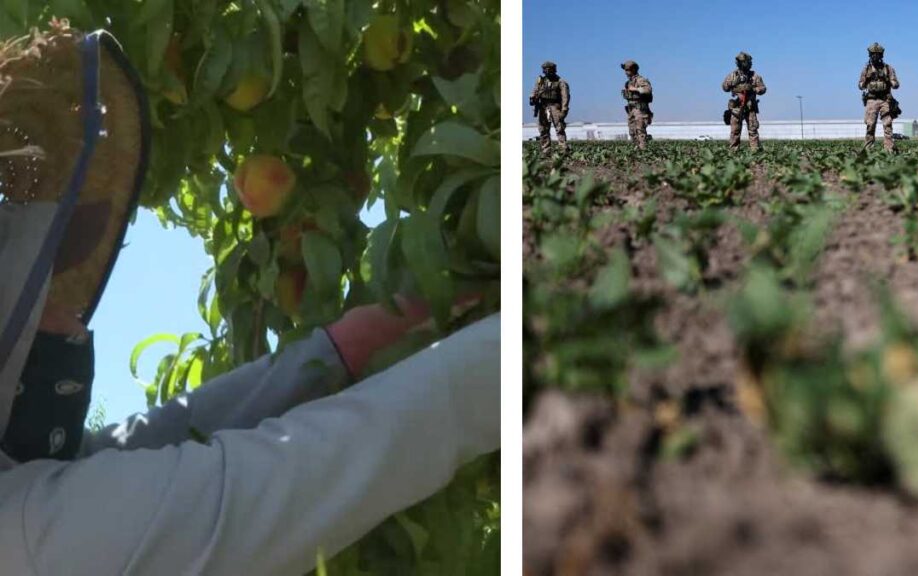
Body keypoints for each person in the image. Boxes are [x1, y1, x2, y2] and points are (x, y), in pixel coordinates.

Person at [0, 24, 500, 576]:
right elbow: (315, 468)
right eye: (41, 295)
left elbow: (177, 425)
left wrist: (352, 338)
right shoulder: (34, 539)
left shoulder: (27, 483)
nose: (75, 318)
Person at [858, 42, 901, 152]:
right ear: (870, 55)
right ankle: (868, 148)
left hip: (885, 100)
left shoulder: (888, 69)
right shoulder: (866, 69)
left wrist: (891, 82)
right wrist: (866, 80)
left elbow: (896, 84)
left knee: (887, 125)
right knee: (870, 125)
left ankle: (889, 148)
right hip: (871, 100)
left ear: (881, 55)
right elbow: (860, 85)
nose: (875, 56)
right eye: (873, 54)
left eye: (877, 54)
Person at [721, 52, 767, 152]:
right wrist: (734, 83)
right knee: (735, 130)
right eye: (743, 62)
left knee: (753, 130)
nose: (745, 64)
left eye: (747, 62)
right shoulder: (733, 75)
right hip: (737, 107)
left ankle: (755, 151)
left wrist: (754, 89)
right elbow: (724, 87)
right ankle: (733, 151)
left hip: (750, 107)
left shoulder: (754, 76)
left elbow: (763, 88)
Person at [529, 61, 570, 156]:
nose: (547, 71)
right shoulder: (540, 81)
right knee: (543, 129)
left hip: (555, 106)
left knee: (559, 128)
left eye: (549, 69)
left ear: (553, 70)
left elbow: (565, 97)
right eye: (545, 69)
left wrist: (564, 110)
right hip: (543, 107)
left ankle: (563, 150)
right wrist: (533, 97)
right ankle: (546, 150)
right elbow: (535, 91)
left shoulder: (560, 82)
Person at [621, 60, 653, 149]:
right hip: (631, 110)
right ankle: (637, 149)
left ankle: (643, 151)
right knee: (632, 131)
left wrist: (635, 89)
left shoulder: (640, 80)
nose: (626, 72)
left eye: (628, 70)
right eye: (625, 70)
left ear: (634, 69)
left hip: (640, 109)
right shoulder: (628, 82)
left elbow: (648, 90)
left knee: (640, 130)